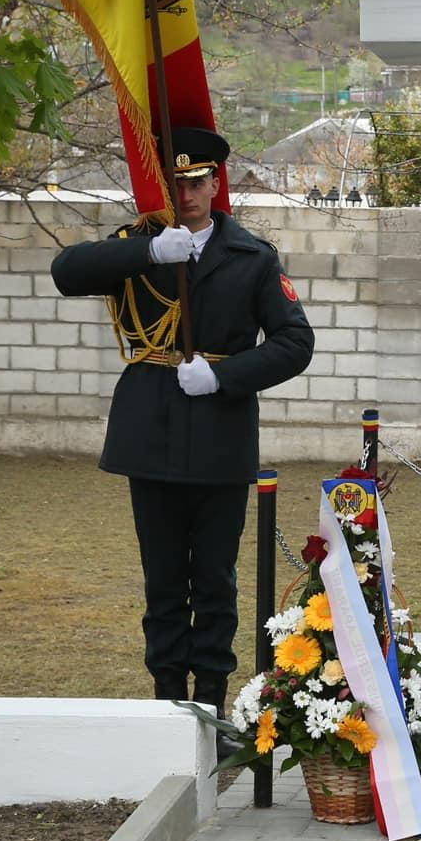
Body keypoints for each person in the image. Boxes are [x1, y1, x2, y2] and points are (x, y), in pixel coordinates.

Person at [51, 126, 314, 713]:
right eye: (176, 182)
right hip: (152, 433)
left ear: (216, 183)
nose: (187, 193)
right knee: (163, 577)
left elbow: (295, 343)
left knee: (215, 580)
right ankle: (167, 695)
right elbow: (66, 271)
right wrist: (148, 252)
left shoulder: (252, 257)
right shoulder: (141, 243)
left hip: (219, 435)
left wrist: (223, 375)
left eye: (197, 182)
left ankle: (213, 696)